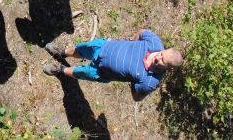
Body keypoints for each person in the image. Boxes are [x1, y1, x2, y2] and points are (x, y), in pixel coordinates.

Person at [43, 30, 183, 101]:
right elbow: (142, 32)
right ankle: (61, 53)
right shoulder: (154, 43)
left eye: (163, 61)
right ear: (165, 49)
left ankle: (61, 70)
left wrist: (133, 81)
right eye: (162, 54)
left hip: (101, 72)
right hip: (103, 47)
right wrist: (132, 41)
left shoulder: (151, 81)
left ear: (168, 68)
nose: (158, 57)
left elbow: (137, 97)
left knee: (80, 72)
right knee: (81, 49)